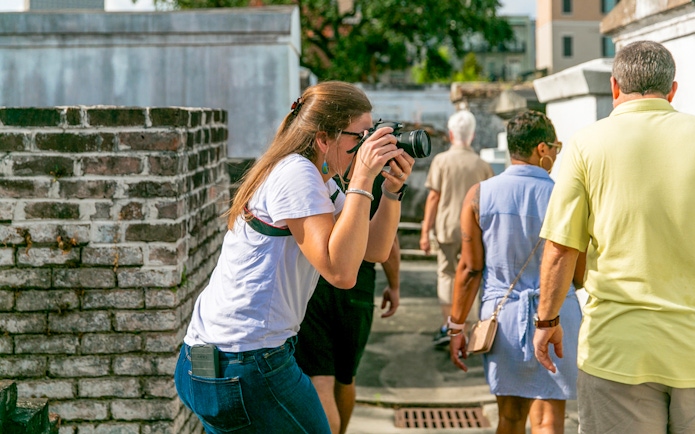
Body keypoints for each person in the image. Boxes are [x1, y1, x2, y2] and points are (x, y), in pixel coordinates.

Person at [173, 80, 415, 434]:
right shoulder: (296, 174)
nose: (366, 149)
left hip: (222, 361)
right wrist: (363, 177)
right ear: (323, 139)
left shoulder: (319, 178)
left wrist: (391, 191)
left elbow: (373, 251)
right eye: (359, 138)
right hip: (245, 365)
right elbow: (341, 272)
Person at [534, 40, 695, 434]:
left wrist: (547, 320)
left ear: (614, 87)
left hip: (618, 347)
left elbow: (561, 248)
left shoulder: (587, 143)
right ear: (672, 90)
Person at [449, 110, 585, 434]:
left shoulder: (479, 195)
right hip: (557, 316)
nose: (556, 152)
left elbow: (469, 269)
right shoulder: (565, 196)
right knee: (550, 420)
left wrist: (456, 326)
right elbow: (579, 275)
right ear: (542, 149)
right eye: (556, 146)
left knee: (509, 418)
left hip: (503, 317)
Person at [295, 173, 401, 434]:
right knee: (346, 376)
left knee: (320, 379)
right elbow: (389, 242)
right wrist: (394, 285)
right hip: (358, 288)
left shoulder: (317, 171)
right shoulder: (377, 174)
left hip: (318, 284)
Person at [420, 109, 495, 346]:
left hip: (445, 227)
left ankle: (448, 327)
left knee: (446, 274)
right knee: (472, 273)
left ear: (451, 134)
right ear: (472, 135)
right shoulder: (482, 165)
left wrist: (425, 231)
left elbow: (433, 198)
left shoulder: (441, 161)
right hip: (474, 231)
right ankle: (469, 327)